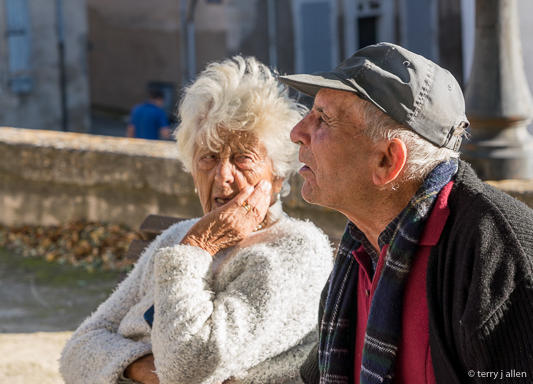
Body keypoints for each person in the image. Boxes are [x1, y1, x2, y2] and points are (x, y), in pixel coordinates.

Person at [59, 56, 334, 384]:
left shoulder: (294, 251)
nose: (223, 177)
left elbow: (189, 367)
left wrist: (198, 247)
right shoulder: (176, 237)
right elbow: (77, 351)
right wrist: (140, 368)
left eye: (243, 158)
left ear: (277, 174)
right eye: (209, 157)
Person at [278, 42, 533, 384]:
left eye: (323, 118)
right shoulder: (359, 249)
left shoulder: (495, 255)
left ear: (387, 160)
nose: (297, 133)